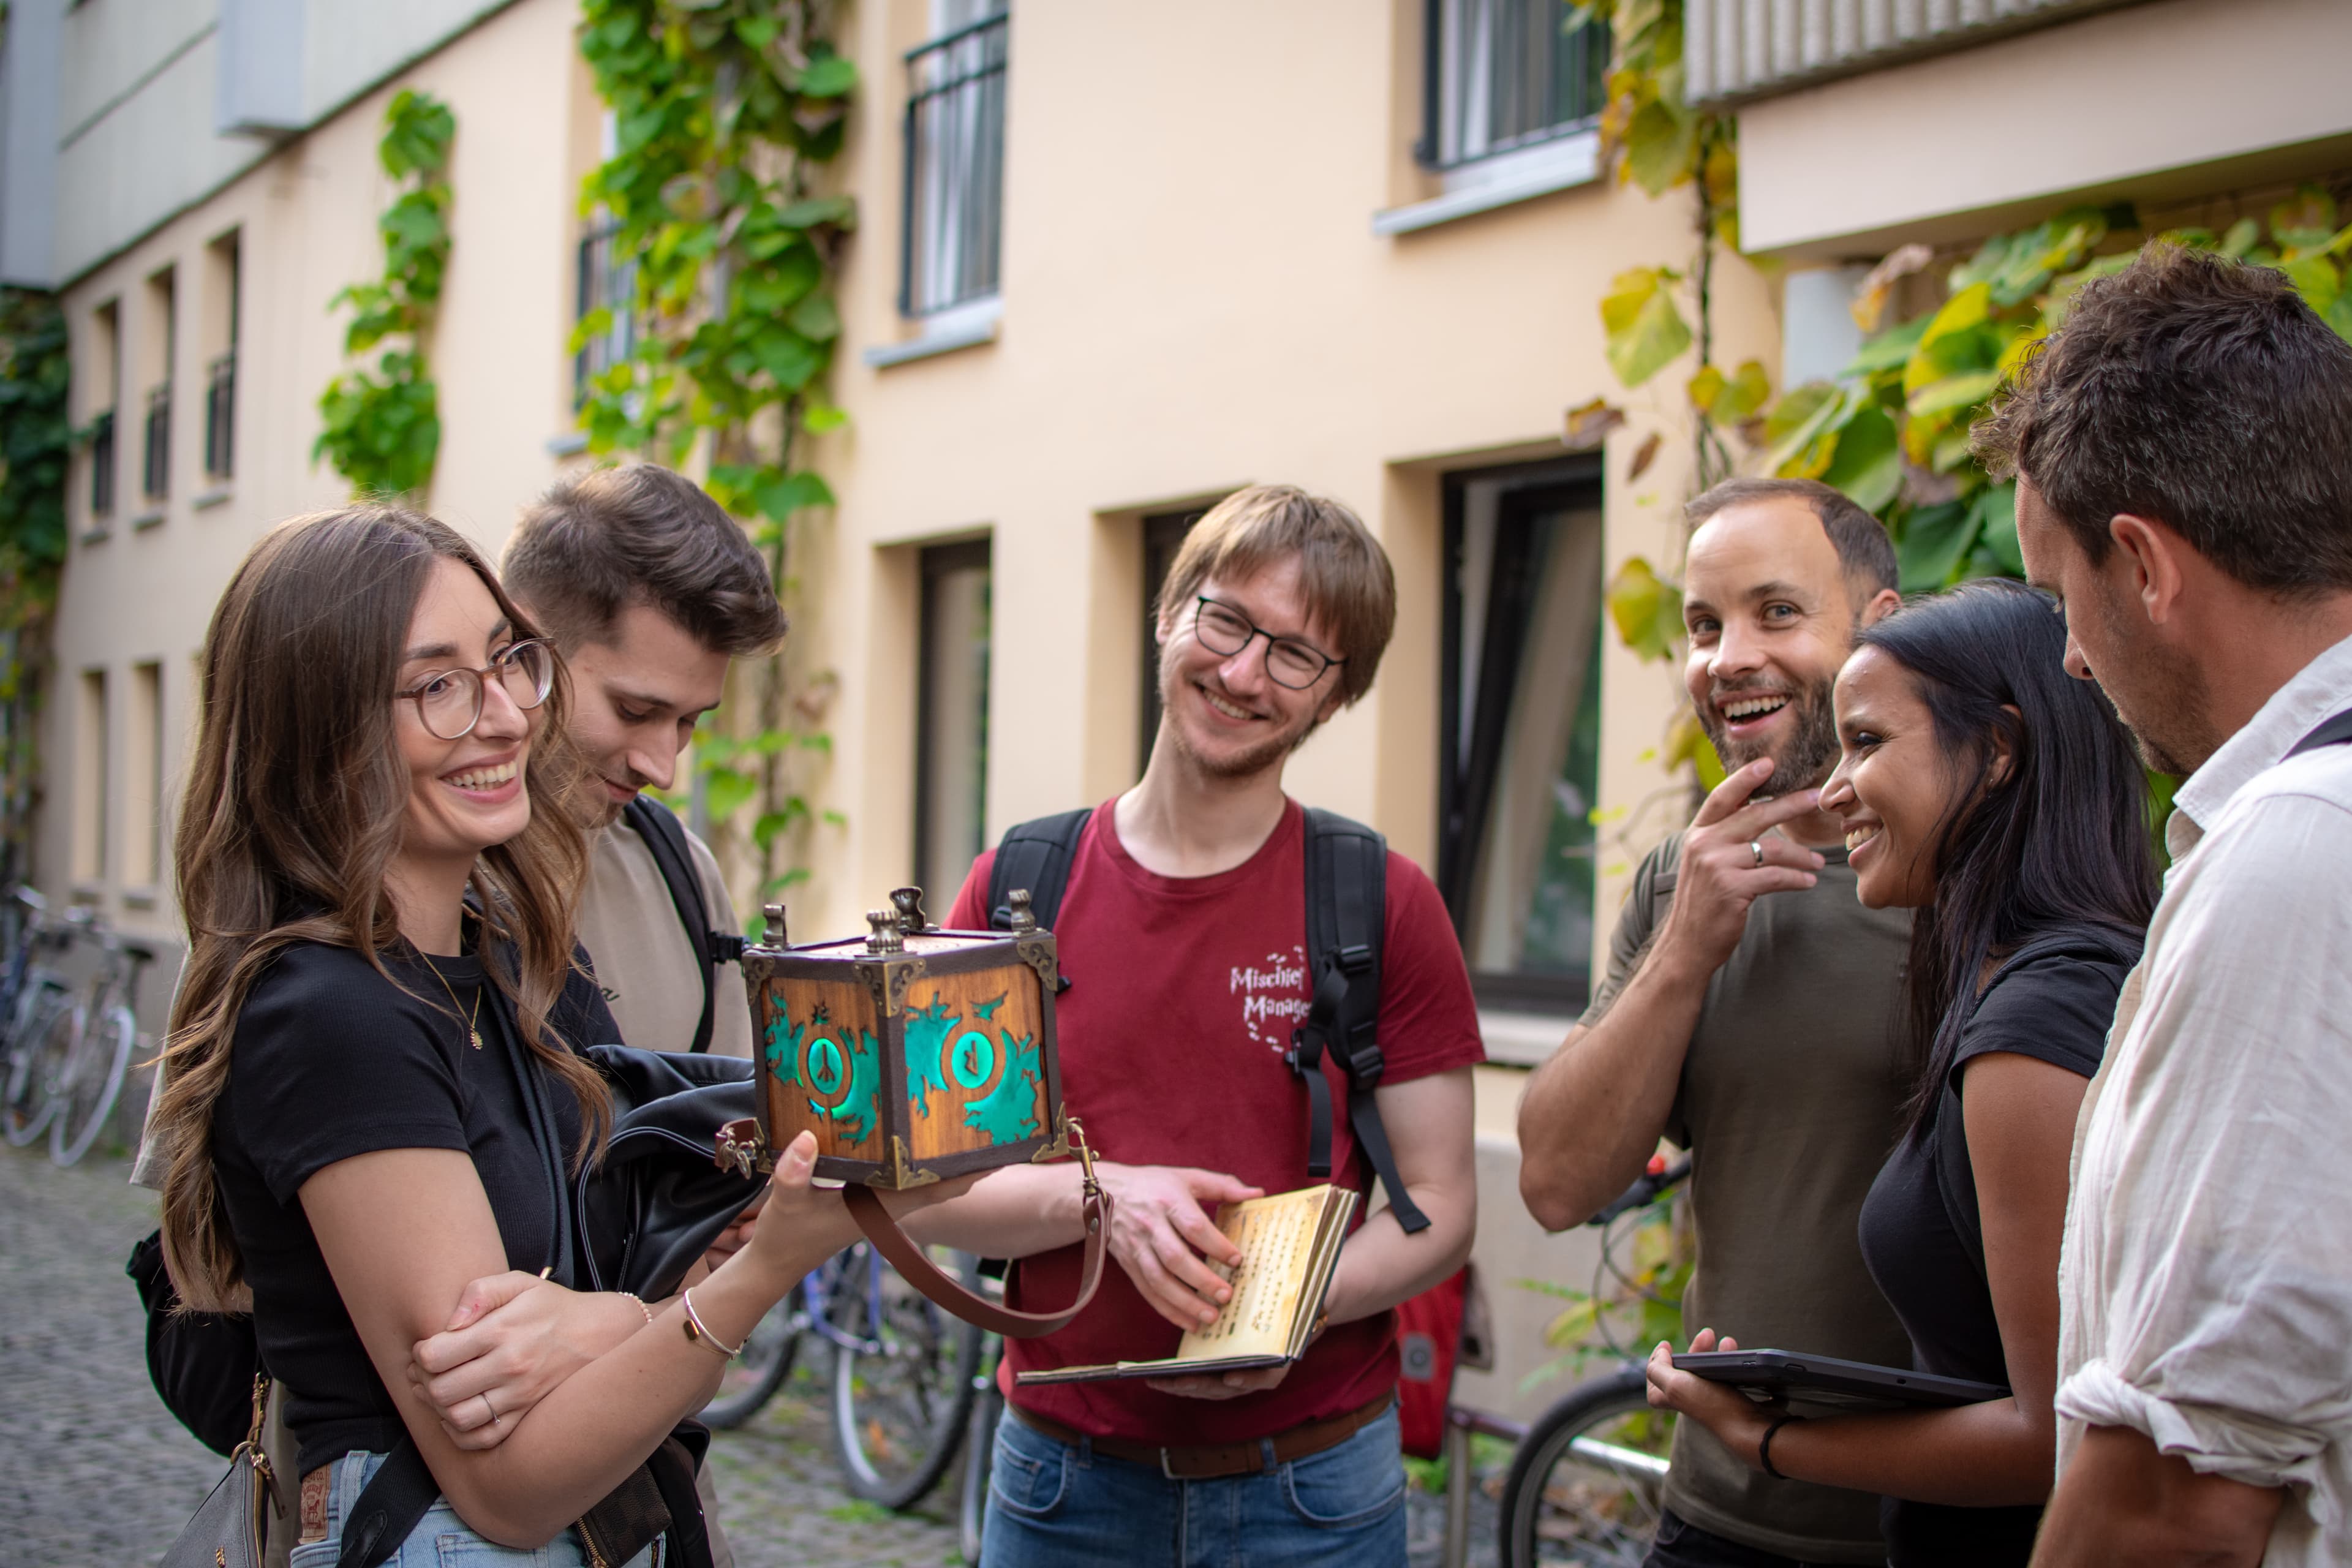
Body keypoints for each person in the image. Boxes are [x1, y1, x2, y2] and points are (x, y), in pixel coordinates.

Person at [143, 507, 949, 1565]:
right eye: (437, 685)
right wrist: (757, 1274)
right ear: (322, 725)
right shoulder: (332, 1012)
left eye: (507, 663)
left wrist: (611, 1315)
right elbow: (510, 1487)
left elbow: (625, 1249)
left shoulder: (515, 967)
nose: (507, 716)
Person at [914, 484, 1484, 1567]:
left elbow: (1443, 1208)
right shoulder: (1017, 886)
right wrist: (1106, 1199)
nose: (1242, 674)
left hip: (1314, 1490)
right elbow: (934, 1190)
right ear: (1168, 615)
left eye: (1296, 656)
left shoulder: (1381, 902)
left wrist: (1297, 1310)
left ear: (1335, 697)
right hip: (1061, 1485)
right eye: (1224, 621)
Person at [1642, 579, 2155, 1567]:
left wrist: (1772, 1442)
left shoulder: (2032, 1029)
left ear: (1999, 751)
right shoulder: (2011, 979)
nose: (1835, 789)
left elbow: (2053, 1436)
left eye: (1869, 744)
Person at [1973, 246, 2352, 1567]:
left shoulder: (2298, 856)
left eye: (2064, 592)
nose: (2070, 652)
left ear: (2142, 563)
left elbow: (2176, 1494)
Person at [1516, 475, 1912, 1567]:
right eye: (1704, 624)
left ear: (1880, 628)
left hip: (1940, 1529)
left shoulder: (1988, 872)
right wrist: (1686, 945)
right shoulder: (1684, 881)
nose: (1728, 657)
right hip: (1720, 1519)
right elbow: (1556, 1182)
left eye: (1776, 612)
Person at [502, 462, 787, 1061]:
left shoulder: (680, 868)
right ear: (521, 653)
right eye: (635, 710)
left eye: (689, 721)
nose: (663, 768)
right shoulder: (407, 866)